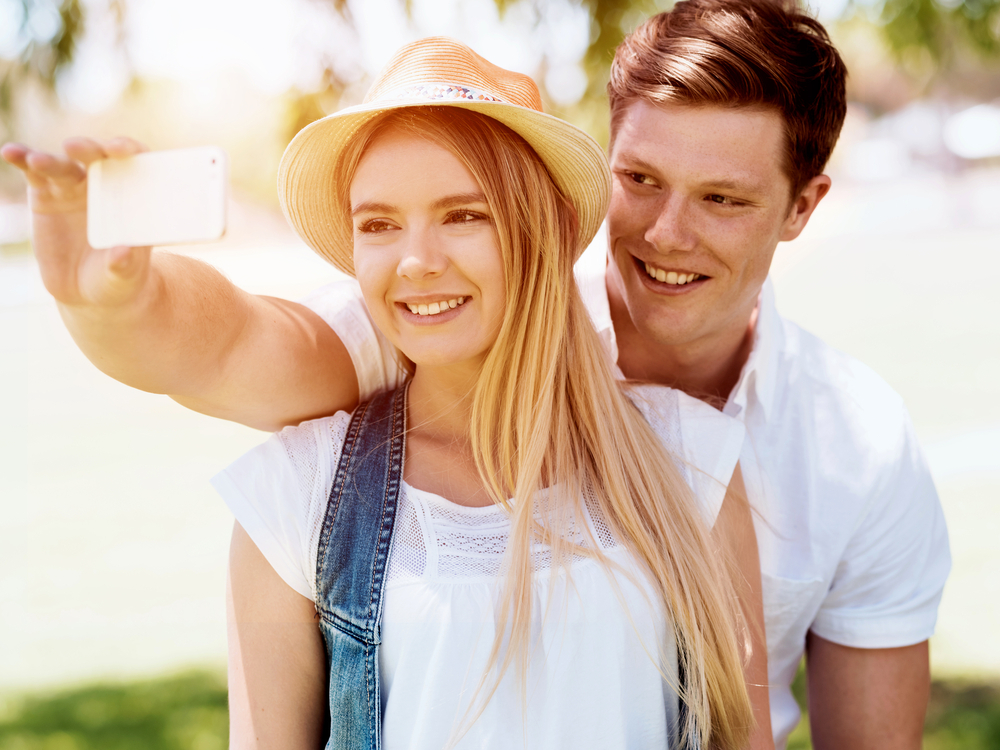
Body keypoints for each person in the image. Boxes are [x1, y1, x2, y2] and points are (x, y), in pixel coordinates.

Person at [0, 0, 949, 747]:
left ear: (801, 205)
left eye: (724, 198)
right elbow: (232, 343)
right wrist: (115, 300)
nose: (665, 233)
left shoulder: (743, 456)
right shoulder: (323, 464)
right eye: (643, 182)